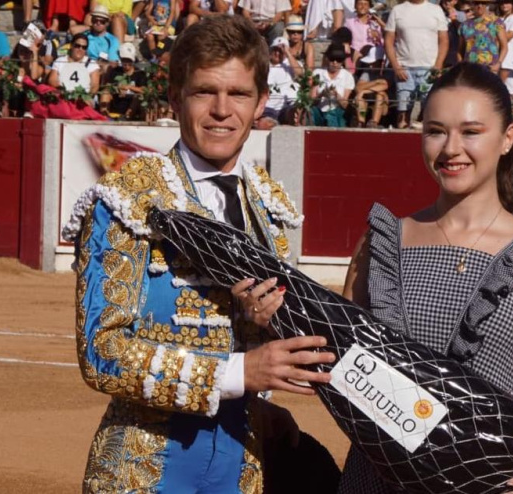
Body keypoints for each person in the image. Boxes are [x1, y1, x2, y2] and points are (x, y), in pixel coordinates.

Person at [65, 14, 336, 492]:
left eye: (238, 94)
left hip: (242, 465)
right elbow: (102, 353)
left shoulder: (268, 209)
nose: (221, 110)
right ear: (175, 98)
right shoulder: (127, 200)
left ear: (261, 103)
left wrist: (261, 330)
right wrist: (240, 372)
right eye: (204, 92)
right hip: (143, 468)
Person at [332, 61, 513, 494]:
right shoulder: (381, 243)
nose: (451, 148)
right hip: (377, 480)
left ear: (508, 138)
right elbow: (341, 359)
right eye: (436, 131)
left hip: (493, 477)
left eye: (471, 132)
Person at [384, 0, 448, 129]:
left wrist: (438, 65)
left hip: (429, 69)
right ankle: (402, 138)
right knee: (403, 113)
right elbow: (388, 40)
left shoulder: (436, 10)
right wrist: (396, 66)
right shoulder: (397, 10)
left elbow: (444, 40)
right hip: (404, 69)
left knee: (429, 111)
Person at [257, 36, 299, 128]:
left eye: (280, 51)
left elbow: (301, 74)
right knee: (265, 123)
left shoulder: (289, 64)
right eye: (275, 50)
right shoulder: (263, 65)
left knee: (294, 114)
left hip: (285, 107)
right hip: (268, 107)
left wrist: (287, 52)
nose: (277, 53)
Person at [99, 42, 147, 119]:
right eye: (124, 60)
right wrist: (118, 88)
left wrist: (130, 87)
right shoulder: (115, 72)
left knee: (138, 97)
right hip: (117, 101)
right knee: (105, 93)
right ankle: (104, 117)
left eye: (129, 60)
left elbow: (144, 90)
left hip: (132, 104)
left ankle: (127, 117)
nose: (127, 63)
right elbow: (108, 86)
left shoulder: (139, 73)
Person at [312, 43, 355, 126]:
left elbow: (345, 105)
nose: (335, 62)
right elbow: (311, 101)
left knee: (331, 115)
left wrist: (336, 95)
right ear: (327, 59)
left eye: (339, 60)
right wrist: (322, 94)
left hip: (338, 112)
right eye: (332, 59)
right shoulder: (318, 73)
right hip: (319, 111)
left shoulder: (347, 76)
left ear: (342, 61)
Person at [497, 0, 513, 89]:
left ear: (512, 4)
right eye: (502, 3)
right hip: (499, 55)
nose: (504, 5)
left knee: (503, 88)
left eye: (507, 2)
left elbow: (509, 36)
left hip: (509, 57)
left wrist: (494, 39)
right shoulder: (499, 19)